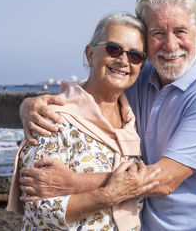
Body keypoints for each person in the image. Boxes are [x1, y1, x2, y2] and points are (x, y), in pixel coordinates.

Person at [19, 0, 196, 230]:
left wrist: (73, 182)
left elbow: (163, 181)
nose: (170, 45)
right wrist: (28, 105)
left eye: (181, 31)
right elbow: (94, 88)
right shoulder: (140, 74)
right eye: (158, 33)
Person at [8, 12, 160, 231]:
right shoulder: (52, 119)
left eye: (135, 55)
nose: (123, 60)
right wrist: (109, 194)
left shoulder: (134, 121)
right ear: (90, 54)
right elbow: (38, 210)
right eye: (113, 49)